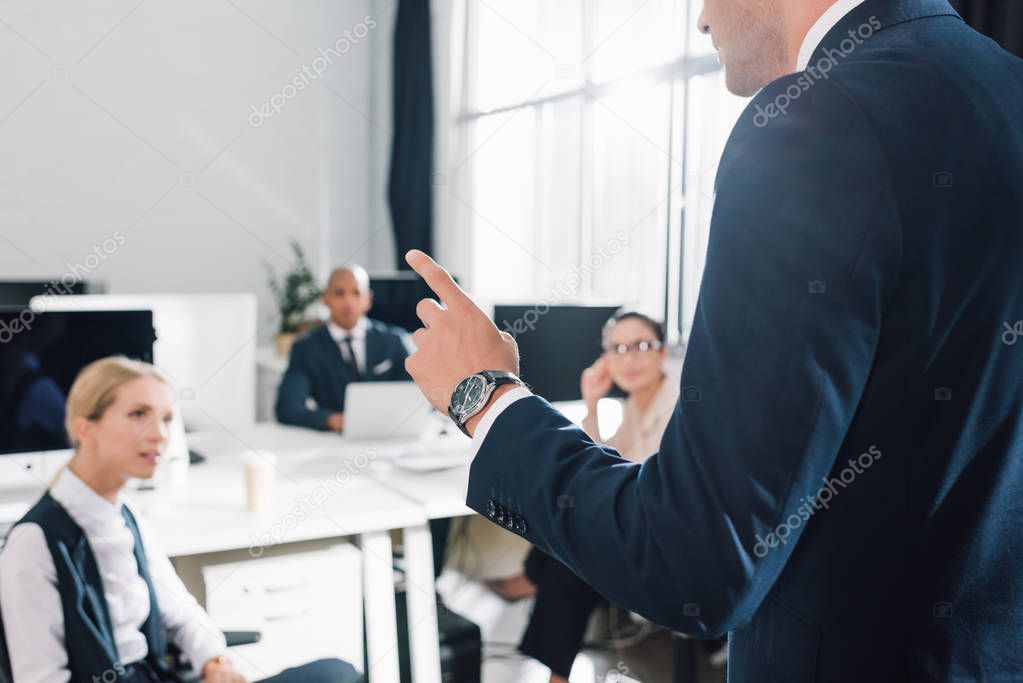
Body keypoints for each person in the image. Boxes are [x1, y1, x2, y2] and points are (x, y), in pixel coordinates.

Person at [398, 0, 1023, 679]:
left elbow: (694, 563)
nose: (699, 20)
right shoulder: (1004, 86)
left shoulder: (819, 119)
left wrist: (484, 394)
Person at [0, 356, 360, 683]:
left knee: (337, 674)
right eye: (139, 415)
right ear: (85, 429)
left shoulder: (127, 517)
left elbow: (181, 612)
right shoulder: (34, 543)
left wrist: (215, 661)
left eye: (167, 419)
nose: (160, 435)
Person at [488, 310, 679, 683]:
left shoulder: (676, 402)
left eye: (640, 345)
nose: (628, 358)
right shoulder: (635, 402)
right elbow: (603, 463)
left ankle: (553, 665)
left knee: (571, 560)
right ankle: (532, 584)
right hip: (640, 519)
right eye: (617, 348)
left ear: (662, 353)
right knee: (564, 518)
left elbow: (621, 478)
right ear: (604, 358)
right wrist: (591, 403)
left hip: (665, 537)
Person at [275, 264, 412, 432]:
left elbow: (416, 397)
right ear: (325, 299)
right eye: (339, 293)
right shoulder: (305, 348)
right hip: (335, 439)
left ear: (368, 299)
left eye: (356, 293)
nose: (348, 301)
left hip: (391, 433)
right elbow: (288, 408)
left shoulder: (394, 341)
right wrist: (332, 420)